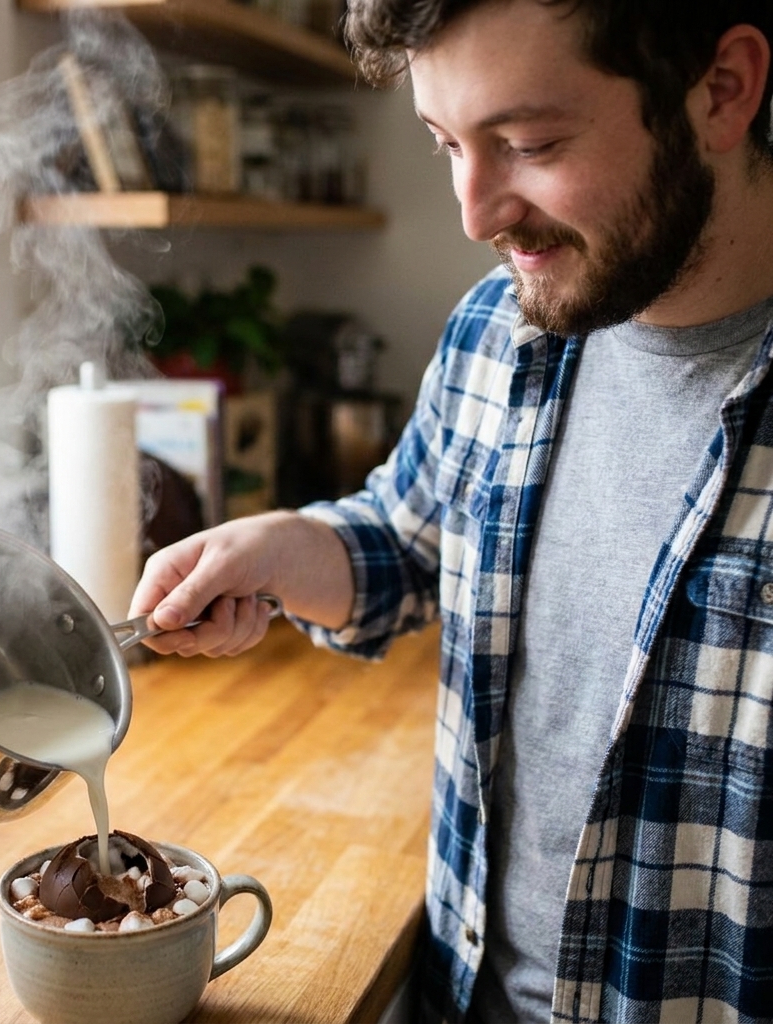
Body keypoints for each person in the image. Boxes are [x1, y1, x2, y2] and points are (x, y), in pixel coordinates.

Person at [129, 1, 773, 1020]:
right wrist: (286, 546)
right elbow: (411, 536)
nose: (475, 214)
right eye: (445, 145)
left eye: (529, 144)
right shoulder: (496, 326)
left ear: (721, 90)